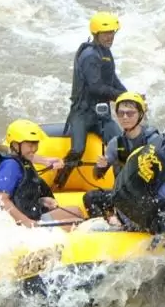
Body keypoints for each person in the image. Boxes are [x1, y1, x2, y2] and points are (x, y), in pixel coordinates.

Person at [53, 11, 128, 189]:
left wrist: (128, 96)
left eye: (112, 32)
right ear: (96, 34)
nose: (110, 37)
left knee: (121, 147)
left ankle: (121, 188)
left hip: (101, 115)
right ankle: (57, 184)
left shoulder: (105, 53)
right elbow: (96, 87)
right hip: (82, 113)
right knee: (78, 149)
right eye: (106, 33)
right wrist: (119, 97)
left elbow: (112, 80)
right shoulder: (90, 56)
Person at [0, 119, 84, 228]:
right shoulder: (10, 166)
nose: (34, 149)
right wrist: (25, 222)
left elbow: (22, 194)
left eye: (36, 145)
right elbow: (1, 199)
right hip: (26, 222)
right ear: (16, 145)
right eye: (30, 145)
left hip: (34, 214)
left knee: (77, 211)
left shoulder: (22, 160)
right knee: (78, 223)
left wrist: (42, 201)